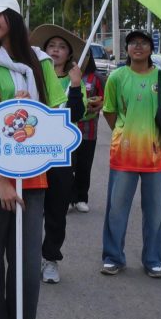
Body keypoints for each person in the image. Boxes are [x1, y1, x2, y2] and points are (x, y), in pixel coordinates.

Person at [0, 0, 82, 319]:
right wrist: (2, 178)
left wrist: (41, 105)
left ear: (14, 17)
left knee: (27, 262)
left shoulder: (41, 62)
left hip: (33, 175)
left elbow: (55, 112)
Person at [100, 29, 161, 279]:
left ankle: (153, 260)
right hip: (123, 155)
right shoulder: (117, 77)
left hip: (156, 156)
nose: (138, 46)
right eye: (133, 43)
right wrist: (124, 133)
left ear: (151, 49)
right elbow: (110, 111)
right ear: (127, 49)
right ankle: (113, 258)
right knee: (116, 210)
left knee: (155, 213)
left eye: (143, 43)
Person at [29, 24, 86, 285]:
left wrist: (75, 84)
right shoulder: (32, 75)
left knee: (56, 209)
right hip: (32, 152)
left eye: (62, 47)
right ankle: (26, 256)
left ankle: (50, 258)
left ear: (69, 54)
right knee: (29, 207)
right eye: (51, 46)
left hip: (61, 155)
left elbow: (76, 115)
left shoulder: (75, 81)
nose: (56, 50)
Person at [72, 55, 104, 213]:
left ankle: (81, 198)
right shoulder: (66, 74)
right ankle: (68, 199)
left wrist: (98, 105)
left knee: (84, 166)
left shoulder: (96, 78)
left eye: (85, 55)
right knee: (67, 167)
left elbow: (106, 99)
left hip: (88, 131)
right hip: (68, 131)